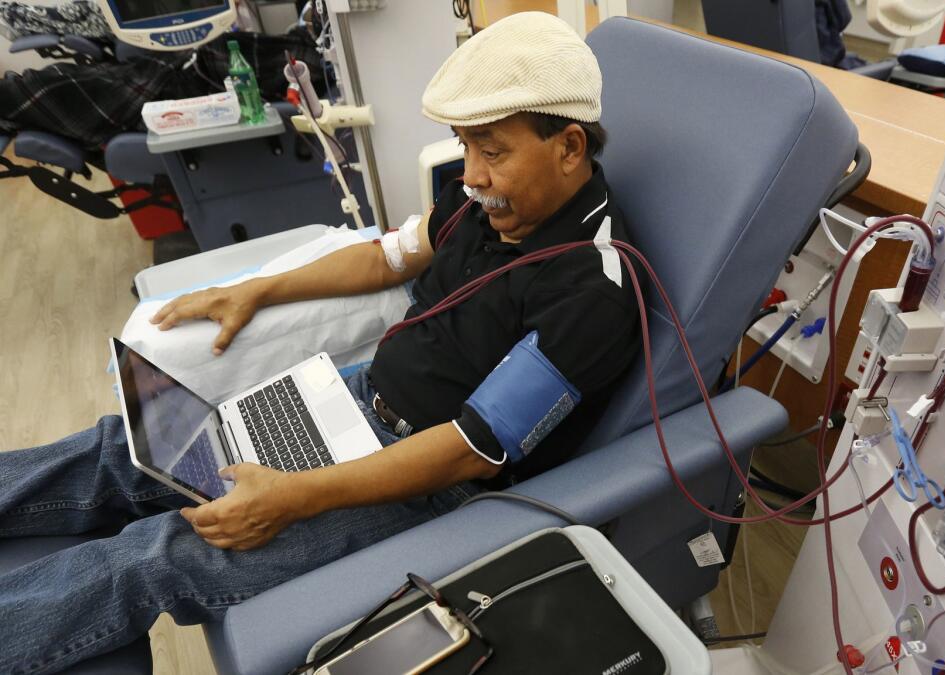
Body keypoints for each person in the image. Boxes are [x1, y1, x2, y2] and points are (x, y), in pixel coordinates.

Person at [0, 11, 641, 673]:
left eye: (492, 151)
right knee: (127, 445)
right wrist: (255, 290)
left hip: (426, 486)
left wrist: (292, 495)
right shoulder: (485, 200)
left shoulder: (592, 294)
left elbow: (470, 450)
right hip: (354, 399)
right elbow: (386, 258)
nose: (471, 173)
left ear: (568, 147)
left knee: (155, 554)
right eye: (465, 145)